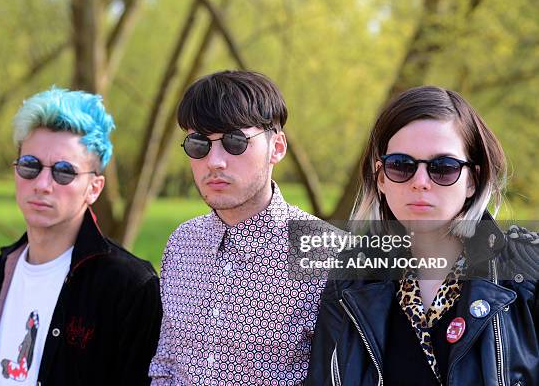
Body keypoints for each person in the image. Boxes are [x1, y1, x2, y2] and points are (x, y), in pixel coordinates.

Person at [307, 85, 538, 385]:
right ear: (381, 179)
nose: (420, 182)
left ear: (473, 181)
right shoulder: (350, 278)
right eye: (401, 166)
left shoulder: (526, 269)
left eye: (443, 168)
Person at [148, 70, 328, 384]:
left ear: (277, 147)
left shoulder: (323, 251)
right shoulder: (182, 243)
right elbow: (165, 366)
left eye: (234, 141)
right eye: (199, 144)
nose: (215, 161)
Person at [0, 88, 162, 385]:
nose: (43, 184)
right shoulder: (1, 270)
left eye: (64, 172)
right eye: (30, 166)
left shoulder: (129, 286)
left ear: (94, 188)